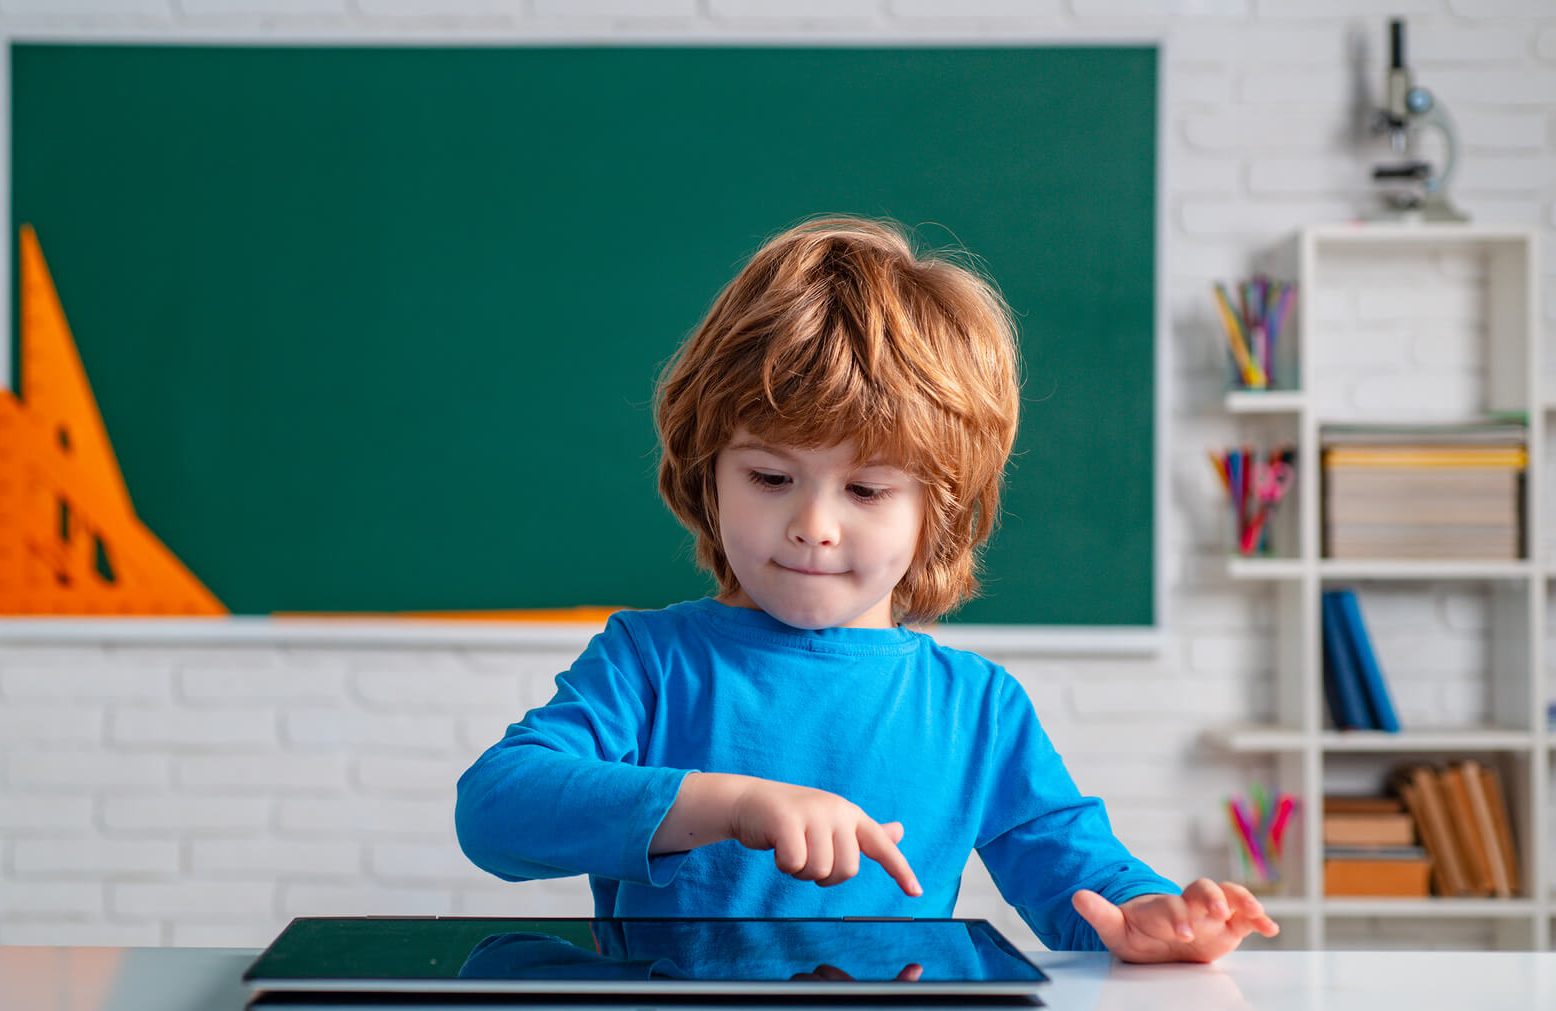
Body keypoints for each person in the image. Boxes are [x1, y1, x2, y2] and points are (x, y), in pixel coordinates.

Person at [456, 216, 1278, 962]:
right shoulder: (649, 660)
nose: (814, 524)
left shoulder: (976, 706)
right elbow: (496, 809)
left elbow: (1075, 869)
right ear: (709, 477)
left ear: (939, 510)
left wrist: (1150, 913)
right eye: (772, 476)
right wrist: (731, 803)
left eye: (868, 490)